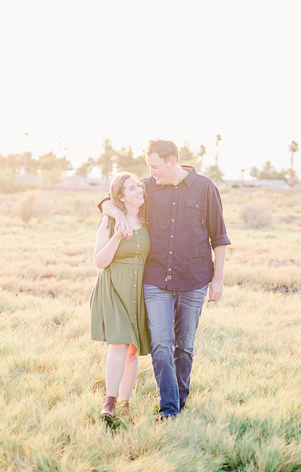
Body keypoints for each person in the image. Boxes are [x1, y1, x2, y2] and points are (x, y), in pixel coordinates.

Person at [100, 139, 230, 420]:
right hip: (156, 279)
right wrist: (114, 212)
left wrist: (217, 280)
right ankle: (168, 408)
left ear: (172, 162)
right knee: (160, 343)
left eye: (155, 166)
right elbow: (110, 197)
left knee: (184, 346)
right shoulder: (148, 186)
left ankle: (180, 400)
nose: (151, 172)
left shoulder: (205, 187)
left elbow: (219, 238)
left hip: (194, 280)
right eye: (150, 167)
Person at [90, 172, 151, 419]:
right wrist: (117, 235)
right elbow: (100, 261)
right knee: (119, 343)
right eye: (131, 188)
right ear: (120, 197)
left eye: (139, 186)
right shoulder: (109, 221)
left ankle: (125, 401)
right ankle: (110, 401)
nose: (139, 190)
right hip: (114, 286)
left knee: (133, 349)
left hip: (139, 289)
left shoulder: (148, 222)